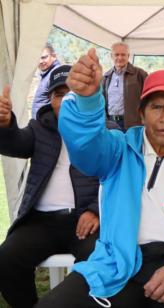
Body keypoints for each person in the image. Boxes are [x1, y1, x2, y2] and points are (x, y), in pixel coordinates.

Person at [36, 49, 164, 308]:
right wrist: (87, 102)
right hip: (120, 261)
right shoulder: (119, 149)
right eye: (156, 107)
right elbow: (86, 150)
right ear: (142, 114)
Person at [0, 65, 99, 308]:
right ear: (51, 100)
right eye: (59, 94)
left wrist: (96, 210)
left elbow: (119, 177)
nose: (65, 99)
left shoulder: (104, 130)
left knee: (100, 263)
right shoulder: (39, 128)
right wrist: (5, 125)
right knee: (6, 258)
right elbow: (15, 144)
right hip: (41, 221)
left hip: (84, 222)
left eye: (72, 92)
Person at [102, 42, 148, 130]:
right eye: (116, 54)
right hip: (110, 123)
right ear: (111, 56)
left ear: (128, 56)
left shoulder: (140, 74)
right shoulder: (106, 77)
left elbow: (149, 99)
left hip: (133, 124)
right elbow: (101, 102)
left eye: (123, 54)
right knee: (113, 144)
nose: (120, 58)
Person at [31, 43, 61, 119]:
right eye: (37, 58)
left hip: (44, 125)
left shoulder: (56, 74)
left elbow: (59, 103)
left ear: (54, 56)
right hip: (39, 124)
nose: (40, 61)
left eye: (44, 57)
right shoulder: (47, 73)